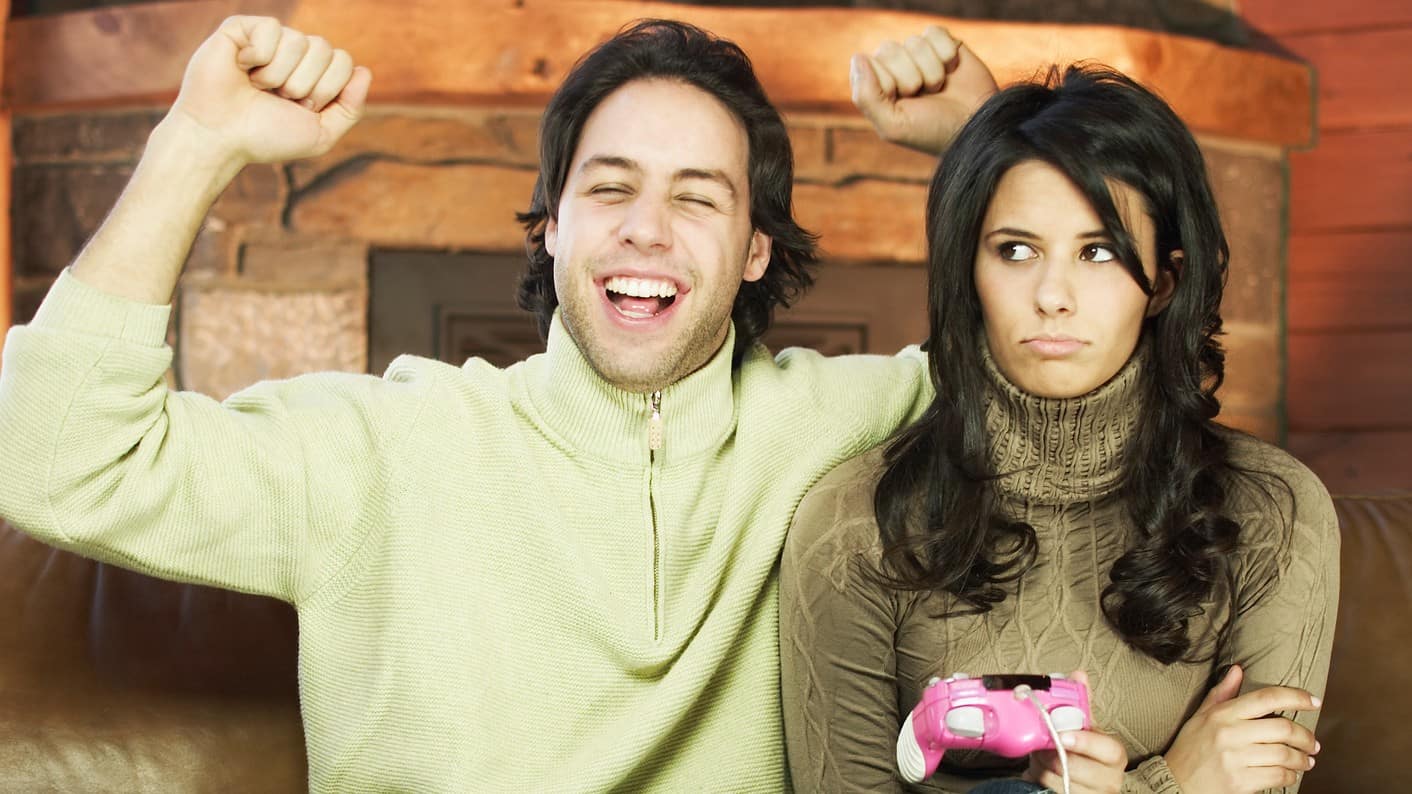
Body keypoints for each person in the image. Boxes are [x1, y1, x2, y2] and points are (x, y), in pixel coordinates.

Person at [0, 15, 996, 793]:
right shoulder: (384, 445)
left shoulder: (839, 422)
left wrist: (981, 148)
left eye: (696, 197)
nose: (646, 227)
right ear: (551, 228)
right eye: (609, 189)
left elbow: (1071, 390)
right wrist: (197, 144)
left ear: (752, 250)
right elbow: (55, 460)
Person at [780, 65, 1338, 794]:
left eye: (1099, 251)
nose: (1052, 296)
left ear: (1162, 281)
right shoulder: (854, 524)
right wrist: (1168, 786)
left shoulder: (1273, 511)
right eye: (1015, 251)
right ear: (967, 270)